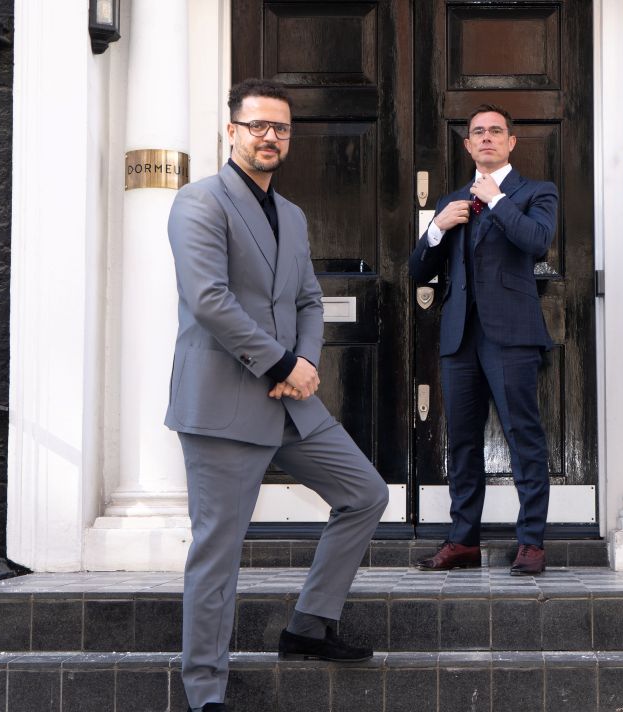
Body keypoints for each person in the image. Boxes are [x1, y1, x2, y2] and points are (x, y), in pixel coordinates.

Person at [165, 78, 389, 712]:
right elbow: (209, 300)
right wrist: (281, 362)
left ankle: (309, 626)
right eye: (258, 125)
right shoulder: (198, 202)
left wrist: (306, 362)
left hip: (294, 400)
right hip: (223, 402)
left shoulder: (292, 215)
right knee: (218, 549)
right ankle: (205, 691)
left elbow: (310, 300)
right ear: (231, 130)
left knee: (365, 494)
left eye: (281, 128)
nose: (270, 136)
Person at [409, 104, 558, 576]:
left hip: (511, 336)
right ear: (468, 144)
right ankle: (463, 540)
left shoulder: (537, 192)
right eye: (478, 132)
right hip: (460, 339)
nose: (487, 138)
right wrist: (436, 228)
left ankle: (531, 541)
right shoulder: (451, 201)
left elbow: (537, 242)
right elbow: (418, 272)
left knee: (523, 438)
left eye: (496, 131)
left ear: (511, 142)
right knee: (465, 444)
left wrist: (496, 200)